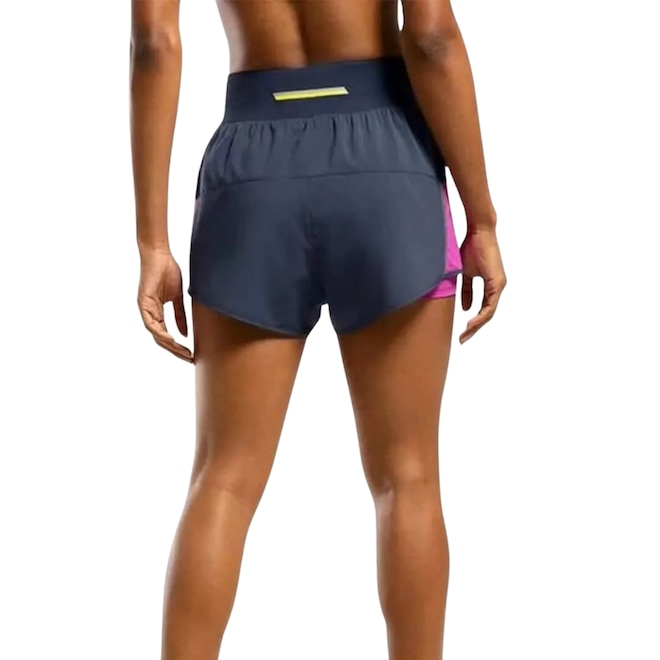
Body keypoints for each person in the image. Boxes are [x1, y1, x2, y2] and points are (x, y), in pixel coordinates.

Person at [129, 0, 506, 658]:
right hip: (386, 160)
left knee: (223, 478)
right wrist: (484, 220)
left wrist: (152, 242)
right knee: (408, 477)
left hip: (251, 168)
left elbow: (154, 44)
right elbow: (431, 37)